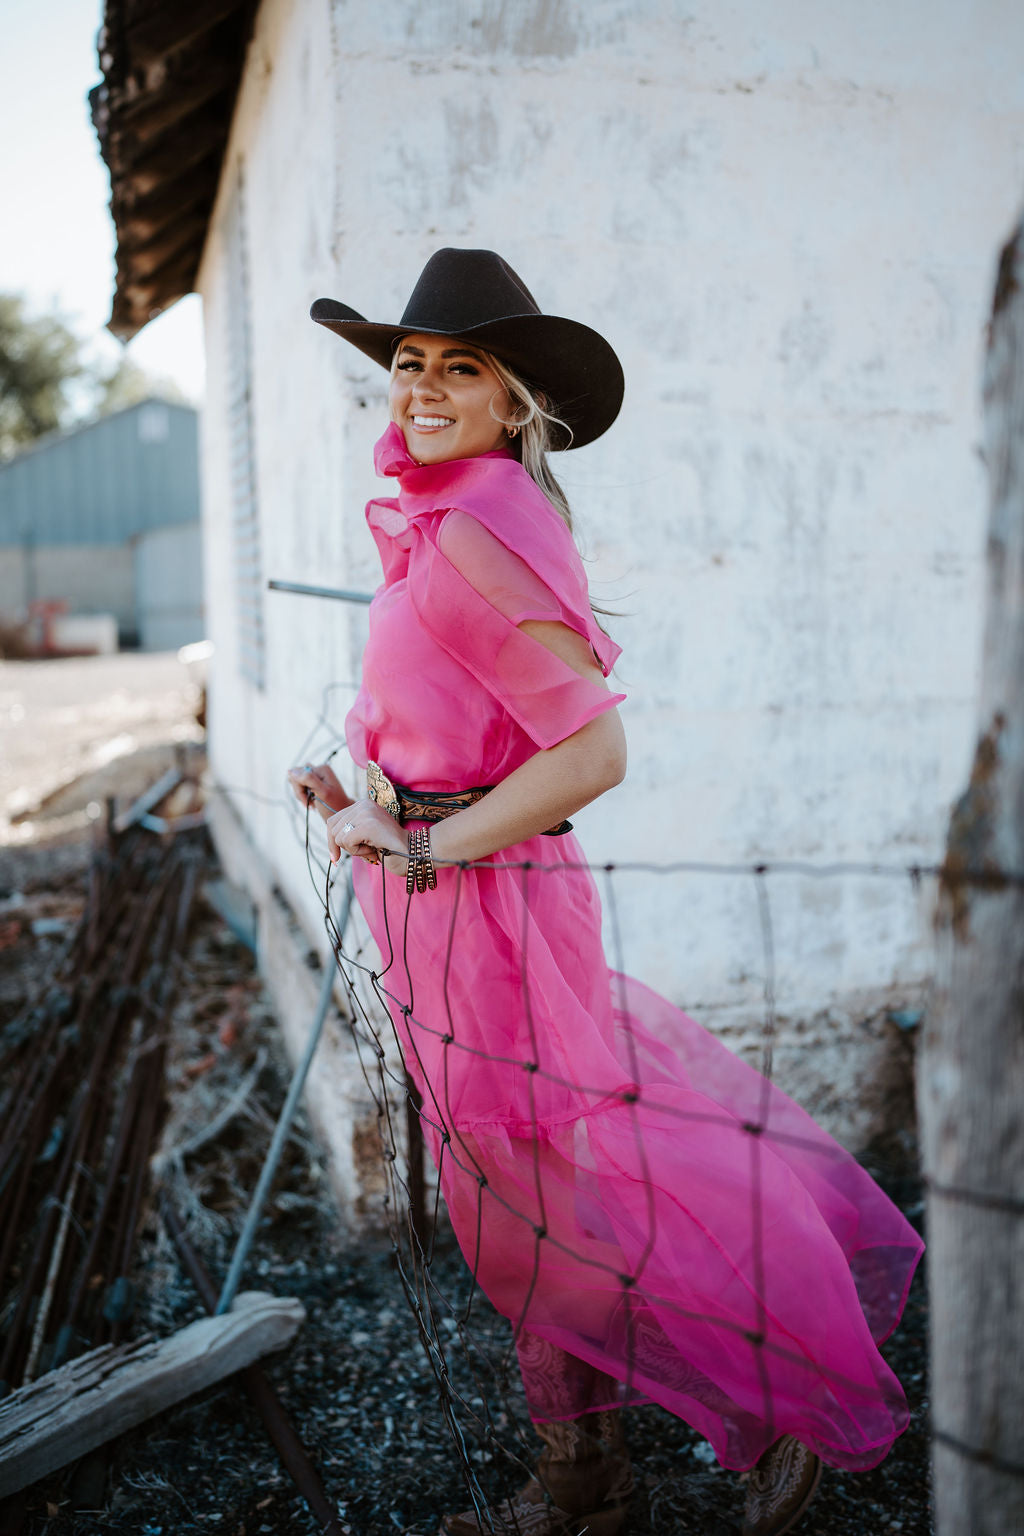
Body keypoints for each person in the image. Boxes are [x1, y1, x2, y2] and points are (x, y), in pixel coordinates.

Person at [288, 249, 923, 1536]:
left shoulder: (471, 530)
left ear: (516, 401)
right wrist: (371, 805)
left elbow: (594, 754)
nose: (421, 387)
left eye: (459, 368)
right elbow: (466, 723)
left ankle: (780, 1388)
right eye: (408, 365)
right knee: (513, 1212)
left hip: (483, 902)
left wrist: (420, 844)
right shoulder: (445, 521)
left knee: (561, 1204)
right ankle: (586, 1484)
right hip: (439, 897)